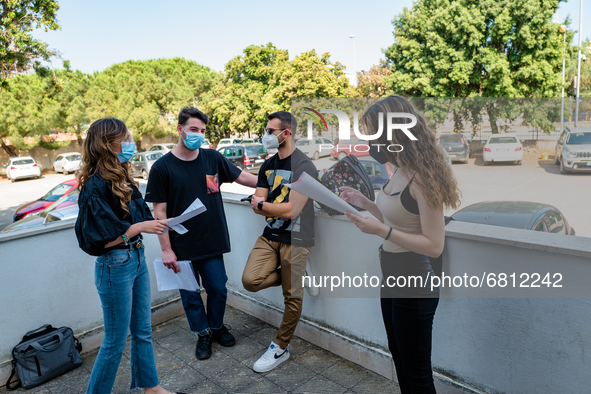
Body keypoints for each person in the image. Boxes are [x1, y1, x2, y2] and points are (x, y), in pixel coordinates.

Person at [340, 96, 461, 394]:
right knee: (401, 363)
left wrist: (381, 231)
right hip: (392, 277)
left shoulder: (424, 177)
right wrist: (366, 204)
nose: (370, 141)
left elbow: (433, 244)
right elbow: (400, 220)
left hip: (415, 281)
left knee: (417, 375)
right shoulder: (399, 171)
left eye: (374, 133)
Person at [75, 118, 183, 394]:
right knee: (114, 341)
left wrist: (160, 223)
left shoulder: (121, 178)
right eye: (126, 138)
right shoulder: (94, 186)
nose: (131, 143)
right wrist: (138, 227)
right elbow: (99, 239)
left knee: (143, 331)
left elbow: (139, 219)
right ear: (107, 144)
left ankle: (152, 388)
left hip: (135, 259)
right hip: (115, 266)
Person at [145, 107, 258, 360]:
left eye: (203, 131)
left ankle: (217, 327)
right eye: (193, 129)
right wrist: (166, 249)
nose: (198, 135)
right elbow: (159, 213)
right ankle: (202, 333)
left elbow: (242, 177)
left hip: (211, 240)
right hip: (180, 245)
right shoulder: (162, 168)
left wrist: (273, 182)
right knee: (190, 294)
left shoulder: (212, 158)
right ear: (180, 129)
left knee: (218, 287)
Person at [242, 111, 317, 373]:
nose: (266, 136)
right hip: (270, 235)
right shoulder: (267, 165)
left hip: (297, 237)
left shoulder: (304, 166)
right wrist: (264, 205)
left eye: (270, 131)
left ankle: (280, 347)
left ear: (286, 133)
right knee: (250, 281)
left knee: (292, 296)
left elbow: (292, 211)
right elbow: (257, 205)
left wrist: (263, 205)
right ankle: (293, 274)